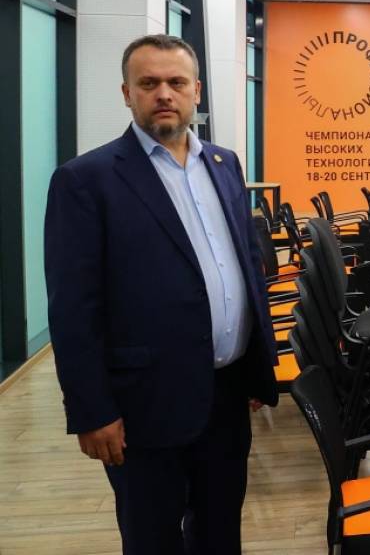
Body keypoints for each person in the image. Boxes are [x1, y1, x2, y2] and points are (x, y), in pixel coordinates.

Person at [45, 34, 279, 554]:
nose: (164, 94)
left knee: (221, 532)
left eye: (176, 82)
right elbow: (73, 309)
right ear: (127, 93)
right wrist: (91, 410)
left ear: (197, 91)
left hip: (226, 395)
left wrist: (254, 363)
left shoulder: (224, 164)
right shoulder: (86, 180)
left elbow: (246, 267)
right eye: (148, 83)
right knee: (152, 538)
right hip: (144, 405)